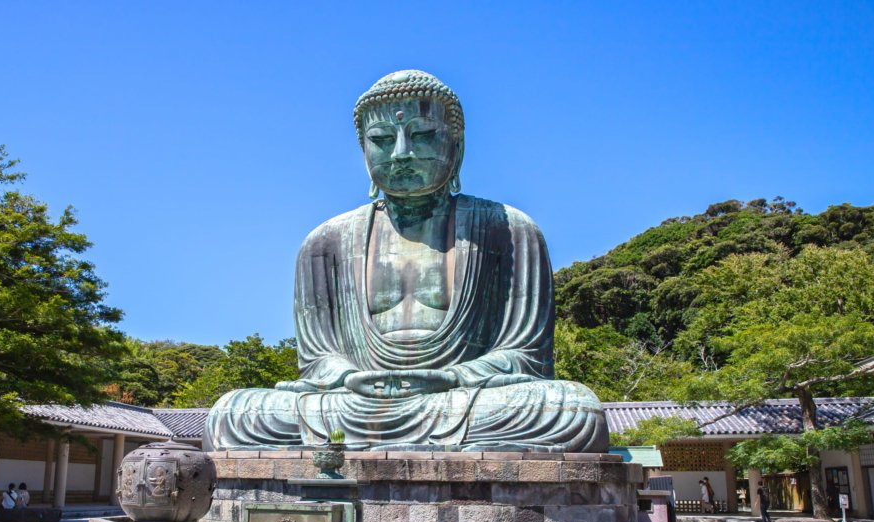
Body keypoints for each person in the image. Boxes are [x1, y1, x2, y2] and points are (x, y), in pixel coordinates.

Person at [204, 70, 608, 452]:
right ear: (362, 150)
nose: (401, 153)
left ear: (457, 145)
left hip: (462, 398)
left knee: (570, 410)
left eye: (422, 134)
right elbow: (317, 360)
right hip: (354, 402)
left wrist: (453, 377)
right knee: (234, 414)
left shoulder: (507, 229)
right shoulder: (324, 243)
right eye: (381, 139)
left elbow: (527, 354)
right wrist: (348, 378)